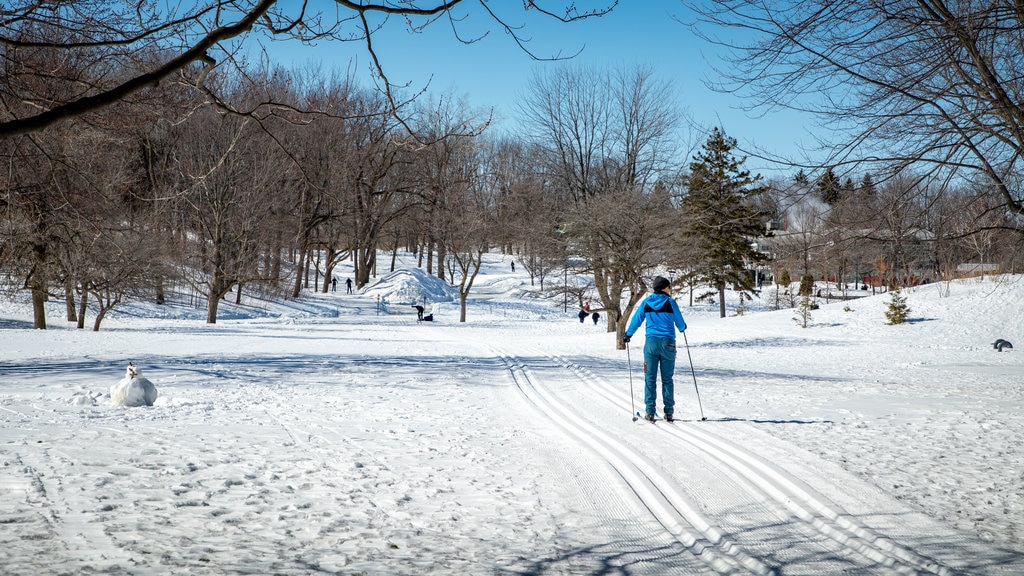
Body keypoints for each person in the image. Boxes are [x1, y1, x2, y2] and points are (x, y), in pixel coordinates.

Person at [623, 276, 687, 422]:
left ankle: (650, 412)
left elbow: (636, 320)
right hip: (668, 344)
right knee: (667, 379)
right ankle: (669, 412)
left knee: (649, 378)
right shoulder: (671, 303)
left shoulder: (646, 302)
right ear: (664, 288)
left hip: (651, 345)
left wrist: (628, 335)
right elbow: (681, 324)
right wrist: (683, 328)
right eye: (669, 287)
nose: (670, 289)